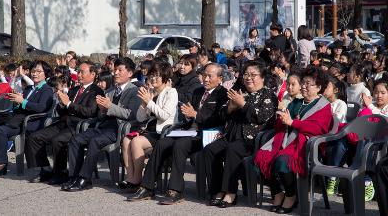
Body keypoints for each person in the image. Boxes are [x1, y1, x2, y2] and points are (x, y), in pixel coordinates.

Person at [127, 63, 228, 204]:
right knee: (162, 143)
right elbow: (188, 112)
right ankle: (147, 187)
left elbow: (219, 119)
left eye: (209, 76)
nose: (205, 79)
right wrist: (187, 115)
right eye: (204, 75)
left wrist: (195, 115)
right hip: (189, 130)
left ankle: (176, 190)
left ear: (219, 78)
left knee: (180, 144)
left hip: (208, 133)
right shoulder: (199, 91)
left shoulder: (222, 94)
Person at [255, 66, 332, 214]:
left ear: (319, 87)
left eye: (308, 83)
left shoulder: (323, 106)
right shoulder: (296, 102)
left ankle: (291, 195)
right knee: (261, 158)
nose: (304, 86)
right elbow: (282, 124)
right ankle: (278, 194)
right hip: (286, 139)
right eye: (303, 82)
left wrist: (292, 123)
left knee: (282, 162)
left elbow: (317, 129)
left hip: (306, 145)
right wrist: (281, 117)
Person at [204, 60, 278, 208]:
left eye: (253, 75)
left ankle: (230, 193)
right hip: (231, 134)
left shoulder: (269, 95)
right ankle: (217, 190)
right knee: (209, 150)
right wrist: (231, 106)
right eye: (245, 74)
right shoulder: (239, 90)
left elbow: (261, 117)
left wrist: (243, 104)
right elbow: (222, 114)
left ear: (262, 77)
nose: (248, 78)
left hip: (253, 139)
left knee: (233, 149)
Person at [61, 58, 140, 191]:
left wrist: (110, 106)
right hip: (103, 126)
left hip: (119, 129)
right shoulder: (110, 91)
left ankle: (85, 179)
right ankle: (74, 176)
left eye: (120, 70)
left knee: (95, 141)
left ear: (130, 73)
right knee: (76, 139)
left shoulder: (134, 91)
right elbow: (100, 115)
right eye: (115, 70)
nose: (116, 73)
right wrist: (102, 110)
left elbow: (130, 115)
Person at [25, 61, 104, 185]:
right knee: (34, 137)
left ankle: (60, 172)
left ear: (93, 74)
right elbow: (63, 110)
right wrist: (61, 103)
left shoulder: (96, 91)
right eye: (78, 72)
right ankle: (45, 169)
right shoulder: (75, 89)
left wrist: (68, 104)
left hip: (79, 126)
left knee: (58, 140)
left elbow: (90, 112)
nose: (79, 75)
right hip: (64, 122)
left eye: (82, 72)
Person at [0, 60, 54, 177]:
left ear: (45, 74)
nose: (35, 73)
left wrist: (22, 101)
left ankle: (1, 164)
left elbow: (41, 107)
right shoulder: (29, 88)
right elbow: (22, 106)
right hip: (17, 120)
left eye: (39, 71)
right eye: (33, 71)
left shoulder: (46, 90)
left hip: (31, 122)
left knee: (0, 130)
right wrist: (16, 101)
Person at [120, 61, 178, 192]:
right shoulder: (150, 92)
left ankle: (138, 180)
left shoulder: (171, 92)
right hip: (149, 130)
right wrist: (143, 104)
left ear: (165, 78)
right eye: (152, 75)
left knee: (136, 142)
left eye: (157, 75)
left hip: (163, 132)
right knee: (126, 140)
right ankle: (130, 177)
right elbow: (141, 118)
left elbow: (164, 115)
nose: (153, 78)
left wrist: (149, 102)